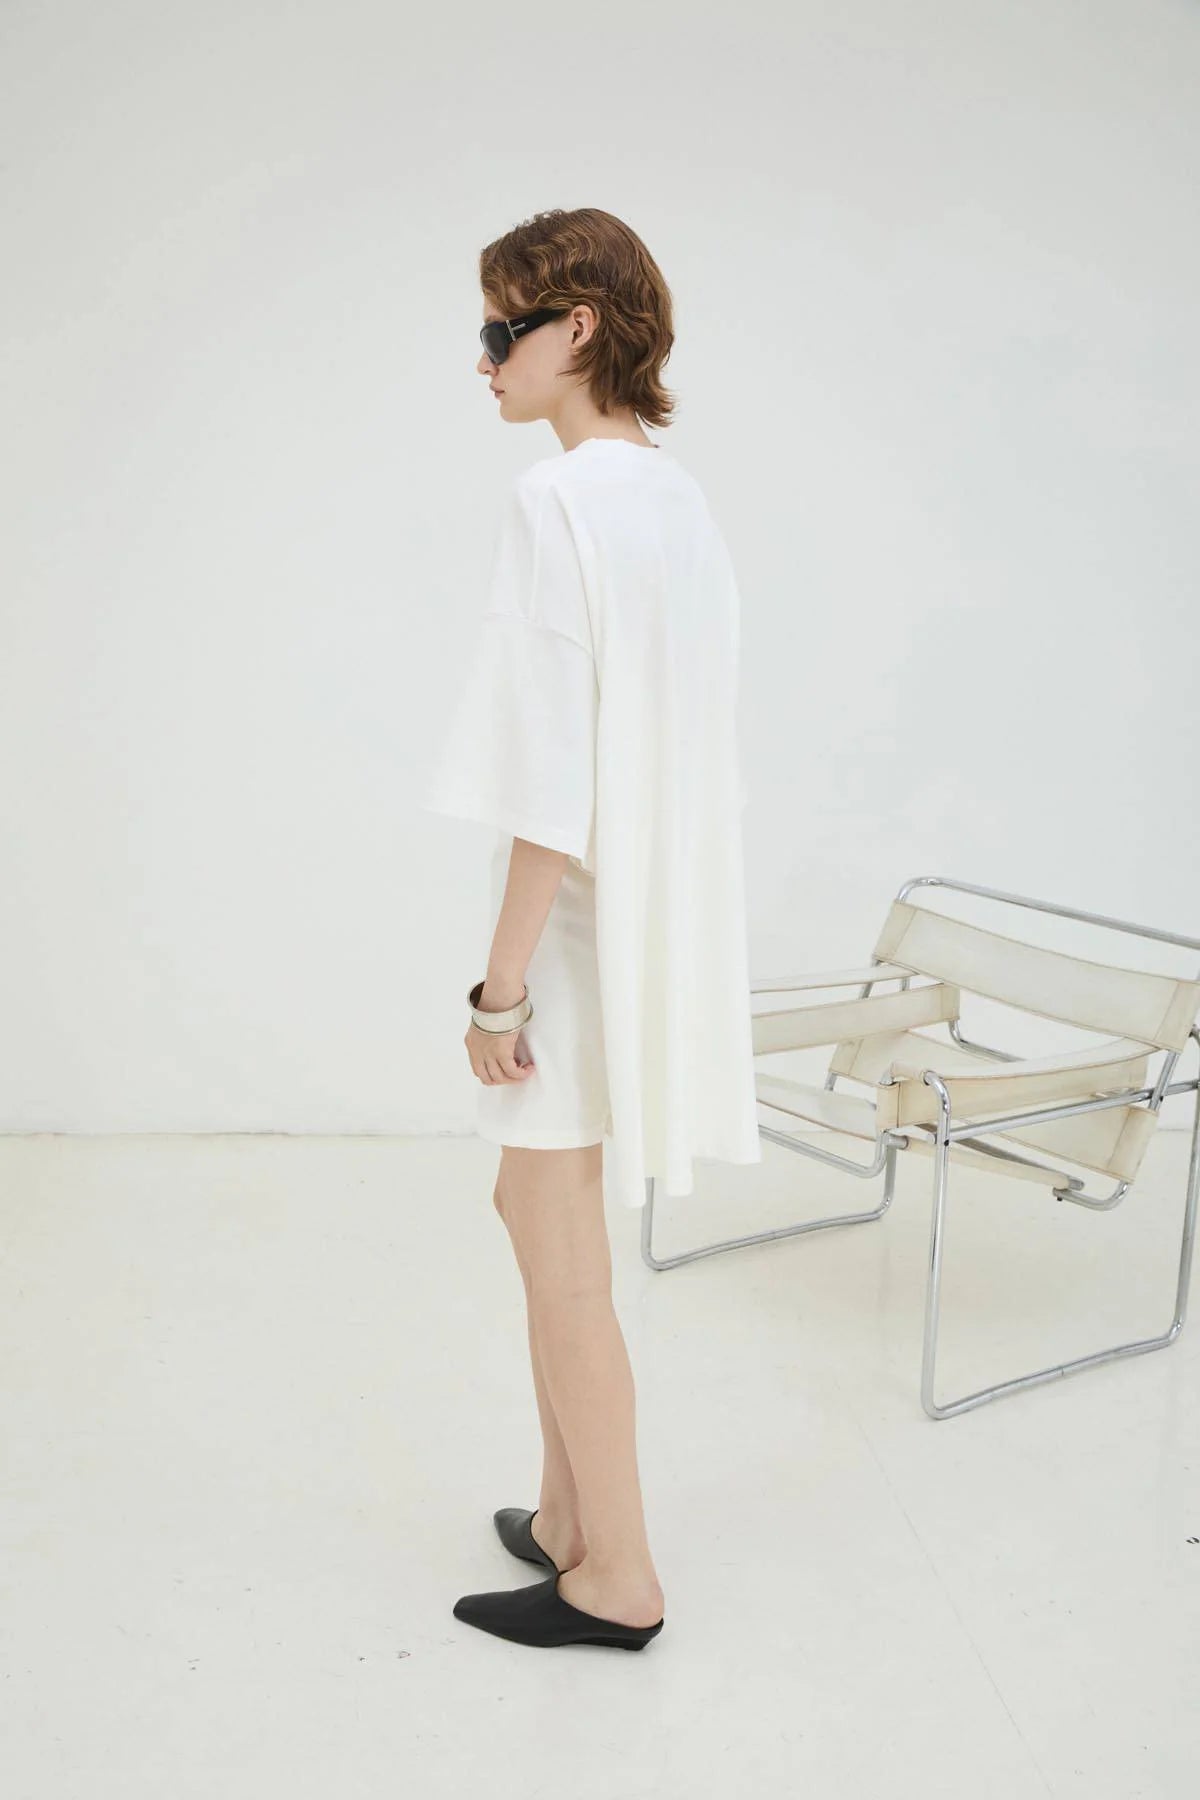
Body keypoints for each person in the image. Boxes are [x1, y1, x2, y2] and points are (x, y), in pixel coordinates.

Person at [421, 207, 761, 1651]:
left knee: (559, 1253)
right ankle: (567, 1519)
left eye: (501, 329)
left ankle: (616, 1576)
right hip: (655, 922)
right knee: (530, 1210)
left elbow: (545, 781)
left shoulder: (554, 503)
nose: (483, 358)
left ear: (575, 329)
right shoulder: (676, 501)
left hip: (574, 933)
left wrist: (498, 991)